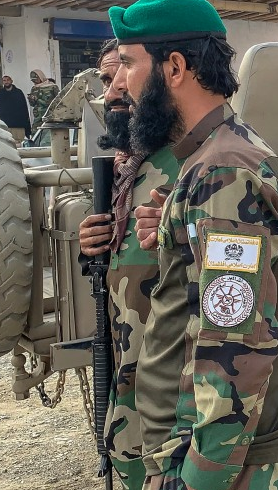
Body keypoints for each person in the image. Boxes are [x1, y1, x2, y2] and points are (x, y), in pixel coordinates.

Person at [114, 0, 278, 490]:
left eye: (129, 64)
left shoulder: (224, 170)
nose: (122, 83)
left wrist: (200, 477)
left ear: (174, 67)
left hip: (211, 462)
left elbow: (236, 346)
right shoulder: (207, 159)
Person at [77, 39, 180, 490]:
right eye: (106, 79)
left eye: (124, 71)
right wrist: (92, 243)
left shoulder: (191, 162)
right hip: (129, 365)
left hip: (172, 386)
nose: (113, 90)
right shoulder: (129, 165)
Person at [0, 75, 31, 143]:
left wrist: (26, 123)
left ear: (11, 81)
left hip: (19, 125)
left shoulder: (18, 93)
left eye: (8, 80)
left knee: (20, 143)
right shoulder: (0, 94)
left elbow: (24, 108)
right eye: (4, 80)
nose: (6, 82)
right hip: (6, 125)